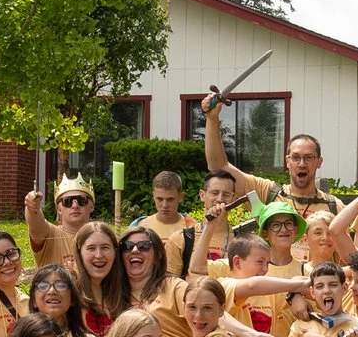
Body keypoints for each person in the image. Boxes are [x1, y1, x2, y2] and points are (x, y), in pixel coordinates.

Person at [205, 101, 339, 216]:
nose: (302, 164)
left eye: (309, 158)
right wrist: (212, 119)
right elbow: (218, 167)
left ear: (319, 162)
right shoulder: (266, 193)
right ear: (287, 161)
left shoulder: (335, 207)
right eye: (295, 157)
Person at [133, 170, 198, 276]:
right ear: (153, 195)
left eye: (170, 199)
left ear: (181, 197)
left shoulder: (191, 228)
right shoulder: (140, 226)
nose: (164, 205)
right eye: (159, 199)